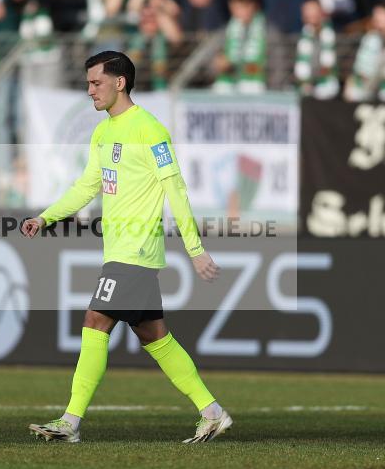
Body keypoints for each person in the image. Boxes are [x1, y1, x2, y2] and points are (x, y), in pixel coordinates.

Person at [21, 51, 232, 444]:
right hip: (123, 252)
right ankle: (213, 412)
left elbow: (176, 190)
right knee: (156, 337)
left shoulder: (150, 130)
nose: (90, 91)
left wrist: (195, 248)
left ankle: (70, 422)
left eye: (96, 83)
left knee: (94, 321)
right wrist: (46, 216)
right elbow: (87, 186)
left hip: (134, 252)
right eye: (87, 84)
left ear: (120, 83)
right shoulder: (103, 132)